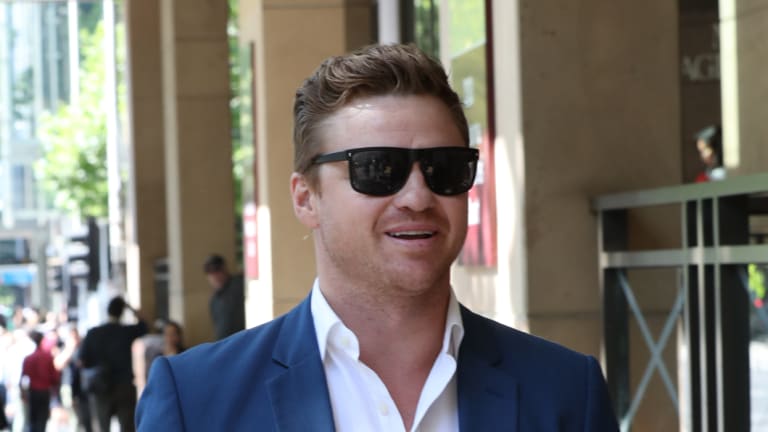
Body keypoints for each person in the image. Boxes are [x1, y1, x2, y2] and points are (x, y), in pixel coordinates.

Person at [136, 43, 618, 431]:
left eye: (443, 168)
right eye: (377, 169)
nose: (417, 195)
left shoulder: (566, 392)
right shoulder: (196, 400)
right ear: (306, 198)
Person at [81, 297, 147, 431]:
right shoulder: (126, 331)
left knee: (103, 427)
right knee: (127, 426)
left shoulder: (93, 333)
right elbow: (144, 325)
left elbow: (84, 360)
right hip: (124, 385)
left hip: (101, 386)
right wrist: (130, 307)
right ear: (122, 312)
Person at [20, 330, 60, 432]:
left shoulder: (29, 358)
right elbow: (54, 376)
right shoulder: (47, 357)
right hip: (44, 392)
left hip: (34, 392)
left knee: (34, 419)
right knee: (42, 419)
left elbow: (23, 378)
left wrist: (23, 393)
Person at [203, 254, 245, 340]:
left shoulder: (239, 285)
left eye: (217, 270)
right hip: (225, 345)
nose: (214, 276)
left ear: (224, 269)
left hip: (244, 342)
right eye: (210, 272)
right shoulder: (214, 301)